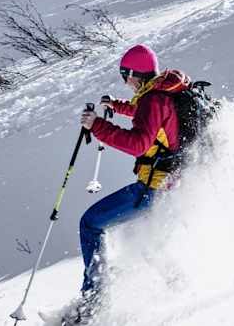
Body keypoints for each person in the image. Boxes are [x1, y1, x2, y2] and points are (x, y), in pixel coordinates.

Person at [72, 44, 188, 304]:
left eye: (125, 75)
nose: (125, 82)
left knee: (89, 224)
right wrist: (117, 106)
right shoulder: (161, 93)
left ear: (134, 74)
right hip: (168, 186)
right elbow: (146, 114)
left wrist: (97, 125)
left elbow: (138, 143)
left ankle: (93, 302)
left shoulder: (153, 99)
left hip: (151, 188)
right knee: (141, 237)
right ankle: (179, 284)